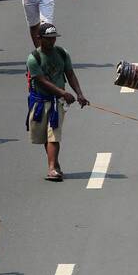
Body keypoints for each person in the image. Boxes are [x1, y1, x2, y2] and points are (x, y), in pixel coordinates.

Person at [26, 23, 88, 181]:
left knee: (53, 134)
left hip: (57, 103)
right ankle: (55, 163)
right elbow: (41, 81)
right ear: (39, 39)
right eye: (48, 39)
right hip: (40, 101)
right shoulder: (34, 58)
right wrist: (63, 92)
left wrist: (79, 94)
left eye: (54, 38)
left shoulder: (62, 53)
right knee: (44, 137)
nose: (52, 41)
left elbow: (70, 74)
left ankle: (52, 168)